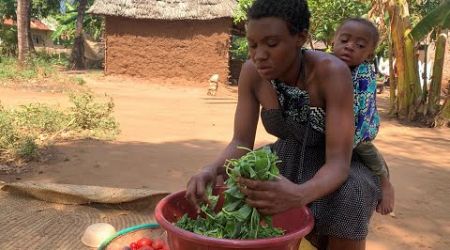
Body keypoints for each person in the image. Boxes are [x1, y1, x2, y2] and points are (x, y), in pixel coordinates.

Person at [186, 0, 380, 249]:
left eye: (272, 44)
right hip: (284, 157)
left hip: (336, 165)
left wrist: (300, 194)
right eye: (253, 45)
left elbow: (338, 164)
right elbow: (241, 142)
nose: (259, 55)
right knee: (243, 183)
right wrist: (209, 169)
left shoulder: (332, 72)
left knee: (349, 196)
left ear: (301, 38)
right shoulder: (251, 73)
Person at [332, 18, 395, 215]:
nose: (350, 46)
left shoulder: (364, 74)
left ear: (369, 54)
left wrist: (351, 140)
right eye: (344, 40)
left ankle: (385, 182)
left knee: (366, 151)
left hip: (361, 126)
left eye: (359, 45)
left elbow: (363, 110)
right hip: (334, 122)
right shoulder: (325, 64)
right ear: (334, 41)